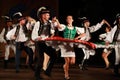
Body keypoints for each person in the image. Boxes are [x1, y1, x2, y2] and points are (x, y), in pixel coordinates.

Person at [31, 6, 58, 80]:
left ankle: (48, 71)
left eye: (48, 15)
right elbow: (34, 34)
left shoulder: (50, 23)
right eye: (47, 15)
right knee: (40, 60)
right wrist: (37, 37)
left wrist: (54, 23)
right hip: (39, 43)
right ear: (42, 15)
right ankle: (37, 75)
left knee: (54, 56)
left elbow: (53, 31)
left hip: (46, 42)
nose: (49, 16)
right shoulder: (38, 23)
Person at [56, 15, 85, 80]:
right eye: (67, 18)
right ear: (66, 20)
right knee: (67, 62)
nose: (69, 19)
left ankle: (64, 66)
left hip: (71, 46)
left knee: (72, 62)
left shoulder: (76, 28)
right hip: (64, 45)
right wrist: (57, 21)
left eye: (70, 18)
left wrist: (77, 38)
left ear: (72, 20)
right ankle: (66, 75)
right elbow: (59, 26)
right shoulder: (64, 27)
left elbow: (84, 34)